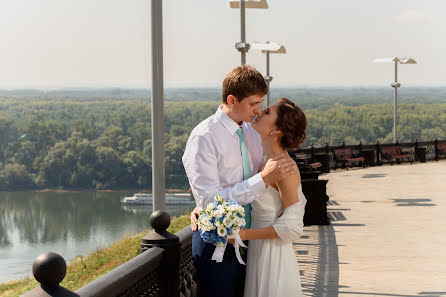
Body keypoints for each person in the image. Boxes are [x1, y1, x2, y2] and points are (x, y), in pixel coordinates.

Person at [182, 65, 298, 297]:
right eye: (253, 104)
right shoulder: (203, 137)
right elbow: (209, 200)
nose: (258, 111)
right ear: (232, 100)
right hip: (218, 245)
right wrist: (262, 180)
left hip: (254, 245)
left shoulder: (254, 132)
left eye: (261, 104)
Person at [241, 97, 307, 297]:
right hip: (259, 249)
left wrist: (244, 235)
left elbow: (292, 227)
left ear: (276, 130)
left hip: (273, 253)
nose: (260, 112)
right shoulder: (264, 161)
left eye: (267, 112)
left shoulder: (284, 167)